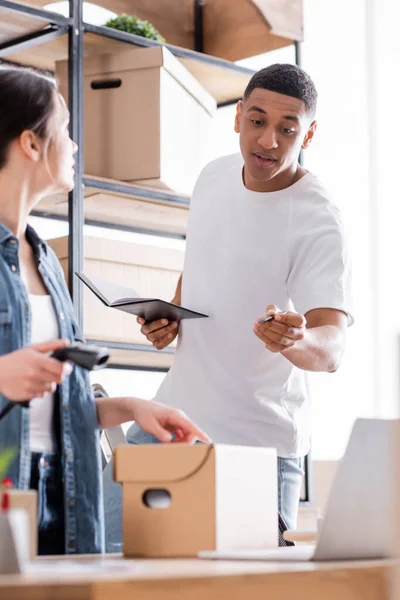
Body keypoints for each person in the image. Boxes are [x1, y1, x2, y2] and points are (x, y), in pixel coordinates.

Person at [131, 63, 353, 530]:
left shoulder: (318, 218)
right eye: (257, 121)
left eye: (287, 129)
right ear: (237, 118)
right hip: (172, 419)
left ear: (308, 136)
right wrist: (169, 319)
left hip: (255, 449)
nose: (268, 140)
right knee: (109, 559)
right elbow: (199, 263)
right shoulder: (213, 176)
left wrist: (294, 341)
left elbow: (331, 348)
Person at [0, 65, 210, 556]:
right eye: (66, 129)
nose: (74, 145)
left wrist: (134, 408)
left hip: (66, 494)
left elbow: (59, 408)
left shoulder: (46, 258)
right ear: (31, 143)